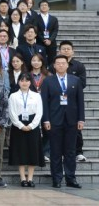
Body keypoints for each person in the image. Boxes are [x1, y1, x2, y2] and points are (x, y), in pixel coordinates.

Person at [42, 54, 85, 189]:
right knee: (55, 152)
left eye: (63, 63)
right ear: (54, 66)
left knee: (70, 151)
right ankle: (57, 179)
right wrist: (46, 119)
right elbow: (44, 102)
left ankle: (71, 178)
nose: (61, 65)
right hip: (54, 120)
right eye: (58, 63)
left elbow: (80, 101)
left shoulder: (75, 80)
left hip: (72, 121)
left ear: (67, 65)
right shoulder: (48, 81)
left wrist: (81, 119)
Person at [8, 72, 44, 187]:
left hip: (33, 125)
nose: (24, 83)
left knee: (33, 151)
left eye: (27, 80)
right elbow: (12, 113)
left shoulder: (36, 95)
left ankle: (30, 178)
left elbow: (39, 112)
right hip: (18, 126)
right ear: (18, 82)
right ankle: (23, 178)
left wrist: (32, 125)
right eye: (22, 80)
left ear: (30, 82)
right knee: (21, 151)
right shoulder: (13, 96)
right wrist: (20, 125)